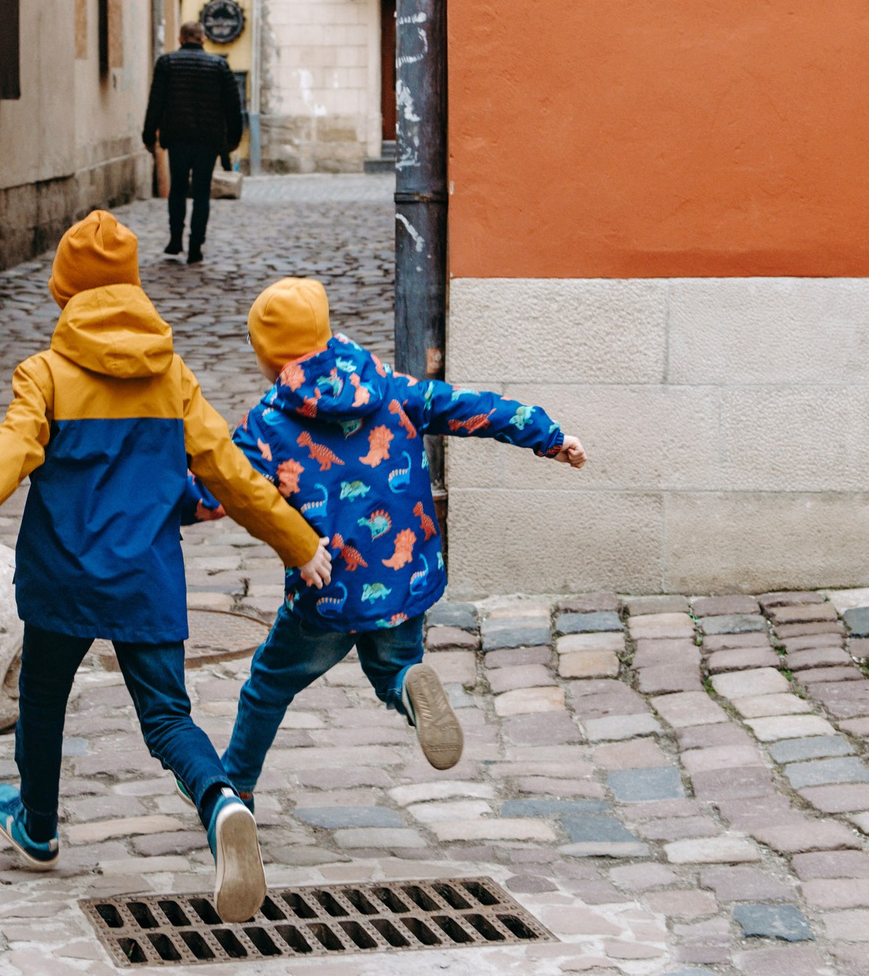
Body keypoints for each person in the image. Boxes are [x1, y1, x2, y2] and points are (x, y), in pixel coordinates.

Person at [0, 211, 332, 923]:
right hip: (145, 580)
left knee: (43, 697)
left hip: (63, 579)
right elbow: (230, 472)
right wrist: (298, 542)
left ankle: (37, 825)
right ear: (133, 288)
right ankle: (220, 799)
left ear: (64, 292)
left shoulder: (46, 374)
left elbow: (12, 445)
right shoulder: (173, 378)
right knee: (166, 717)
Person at [196, 277, 586, 798]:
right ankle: (406, 687)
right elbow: (467, 406)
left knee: (268, 685)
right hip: (406, 578)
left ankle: (236, 789)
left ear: (269, 356)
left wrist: (157, 500)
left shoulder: (266, 424)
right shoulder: (389, 387)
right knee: (393, 670)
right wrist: (548, 435)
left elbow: (215, 493)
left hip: (328, 591)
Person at [140, 22, 245, 265]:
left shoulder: (167, 63)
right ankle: (196, 246)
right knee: (201, 193)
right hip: (208, 140)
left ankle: (175, 239)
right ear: (203, 39)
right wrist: (233, 139)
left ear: (181, 39)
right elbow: (233, 106)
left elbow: (155, 102)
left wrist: (148, 136)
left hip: (177, 137)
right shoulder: (219, 65)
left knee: (177, 188)